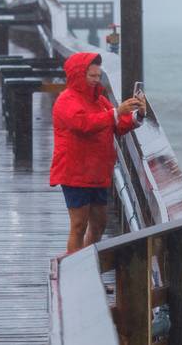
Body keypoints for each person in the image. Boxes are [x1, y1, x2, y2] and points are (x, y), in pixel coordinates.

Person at [50, 52, 145, 254]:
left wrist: (138, 114)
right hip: (75, 171)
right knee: (78, 225)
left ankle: (86, 265)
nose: (96, 80)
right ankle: (75, 273)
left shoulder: (99, 100)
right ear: (78, 74)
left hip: (97, 171)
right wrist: (116, 112)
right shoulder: (66, 100)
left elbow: (117, 125)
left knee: (99, 223)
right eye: (91, 76)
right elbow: (83, 124)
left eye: (98, 76)